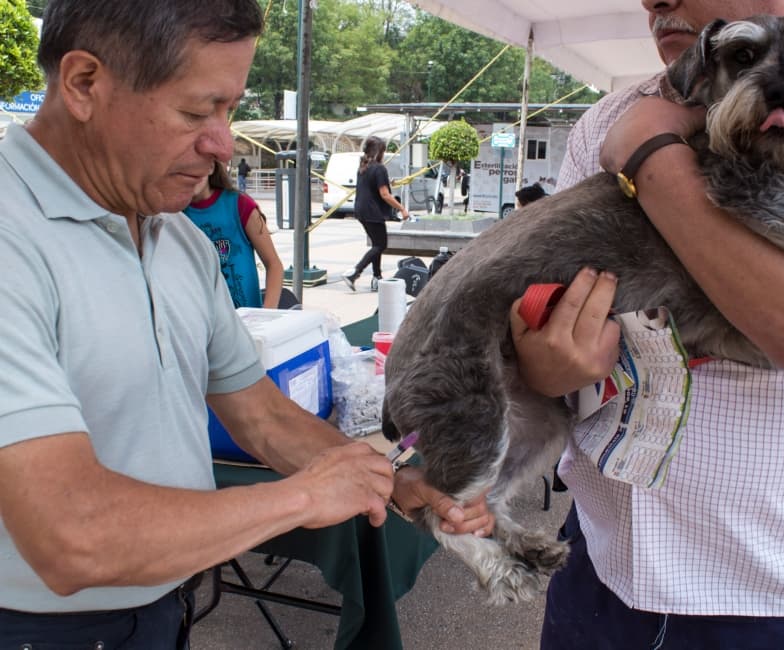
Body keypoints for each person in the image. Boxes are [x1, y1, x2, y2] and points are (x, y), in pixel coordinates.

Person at [0, 1, 492, 645]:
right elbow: (71, 538)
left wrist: (387, 480)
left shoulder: (172, 234)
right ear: (84, 83)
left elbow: (257, 412)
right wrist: (305, 497)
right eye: (196, 110)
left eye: (229, 109)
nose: (222, 143)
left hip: (165, 603)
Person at [507, 0, 784, 647]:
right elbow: (565, 325)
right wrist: (546, 369)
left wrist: (652, 151)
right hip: (601, 572)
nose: (653, 1)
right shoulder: (605, 118)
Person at [184, 160, 283, 308]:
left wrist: (267, 312)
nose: (191, 175)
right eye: (183, 169)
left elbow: (273, 264)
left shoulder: (240, 204)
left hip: (247, 321)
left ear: (211, 166)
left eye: (196, 166)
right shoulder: (171, 216)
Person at [342, 136, 410, 292]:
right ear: (379, 152)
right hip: (372, 211)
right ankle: (354, 272)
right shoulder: (379, 168)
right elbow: (385, 195)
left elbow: (374, 186)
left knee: (376, 245)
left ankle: (377, 278)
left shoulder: (363, 167)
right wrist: (402, 209)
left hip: (360, 210)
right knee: (380, 245)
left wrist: (387, 182)